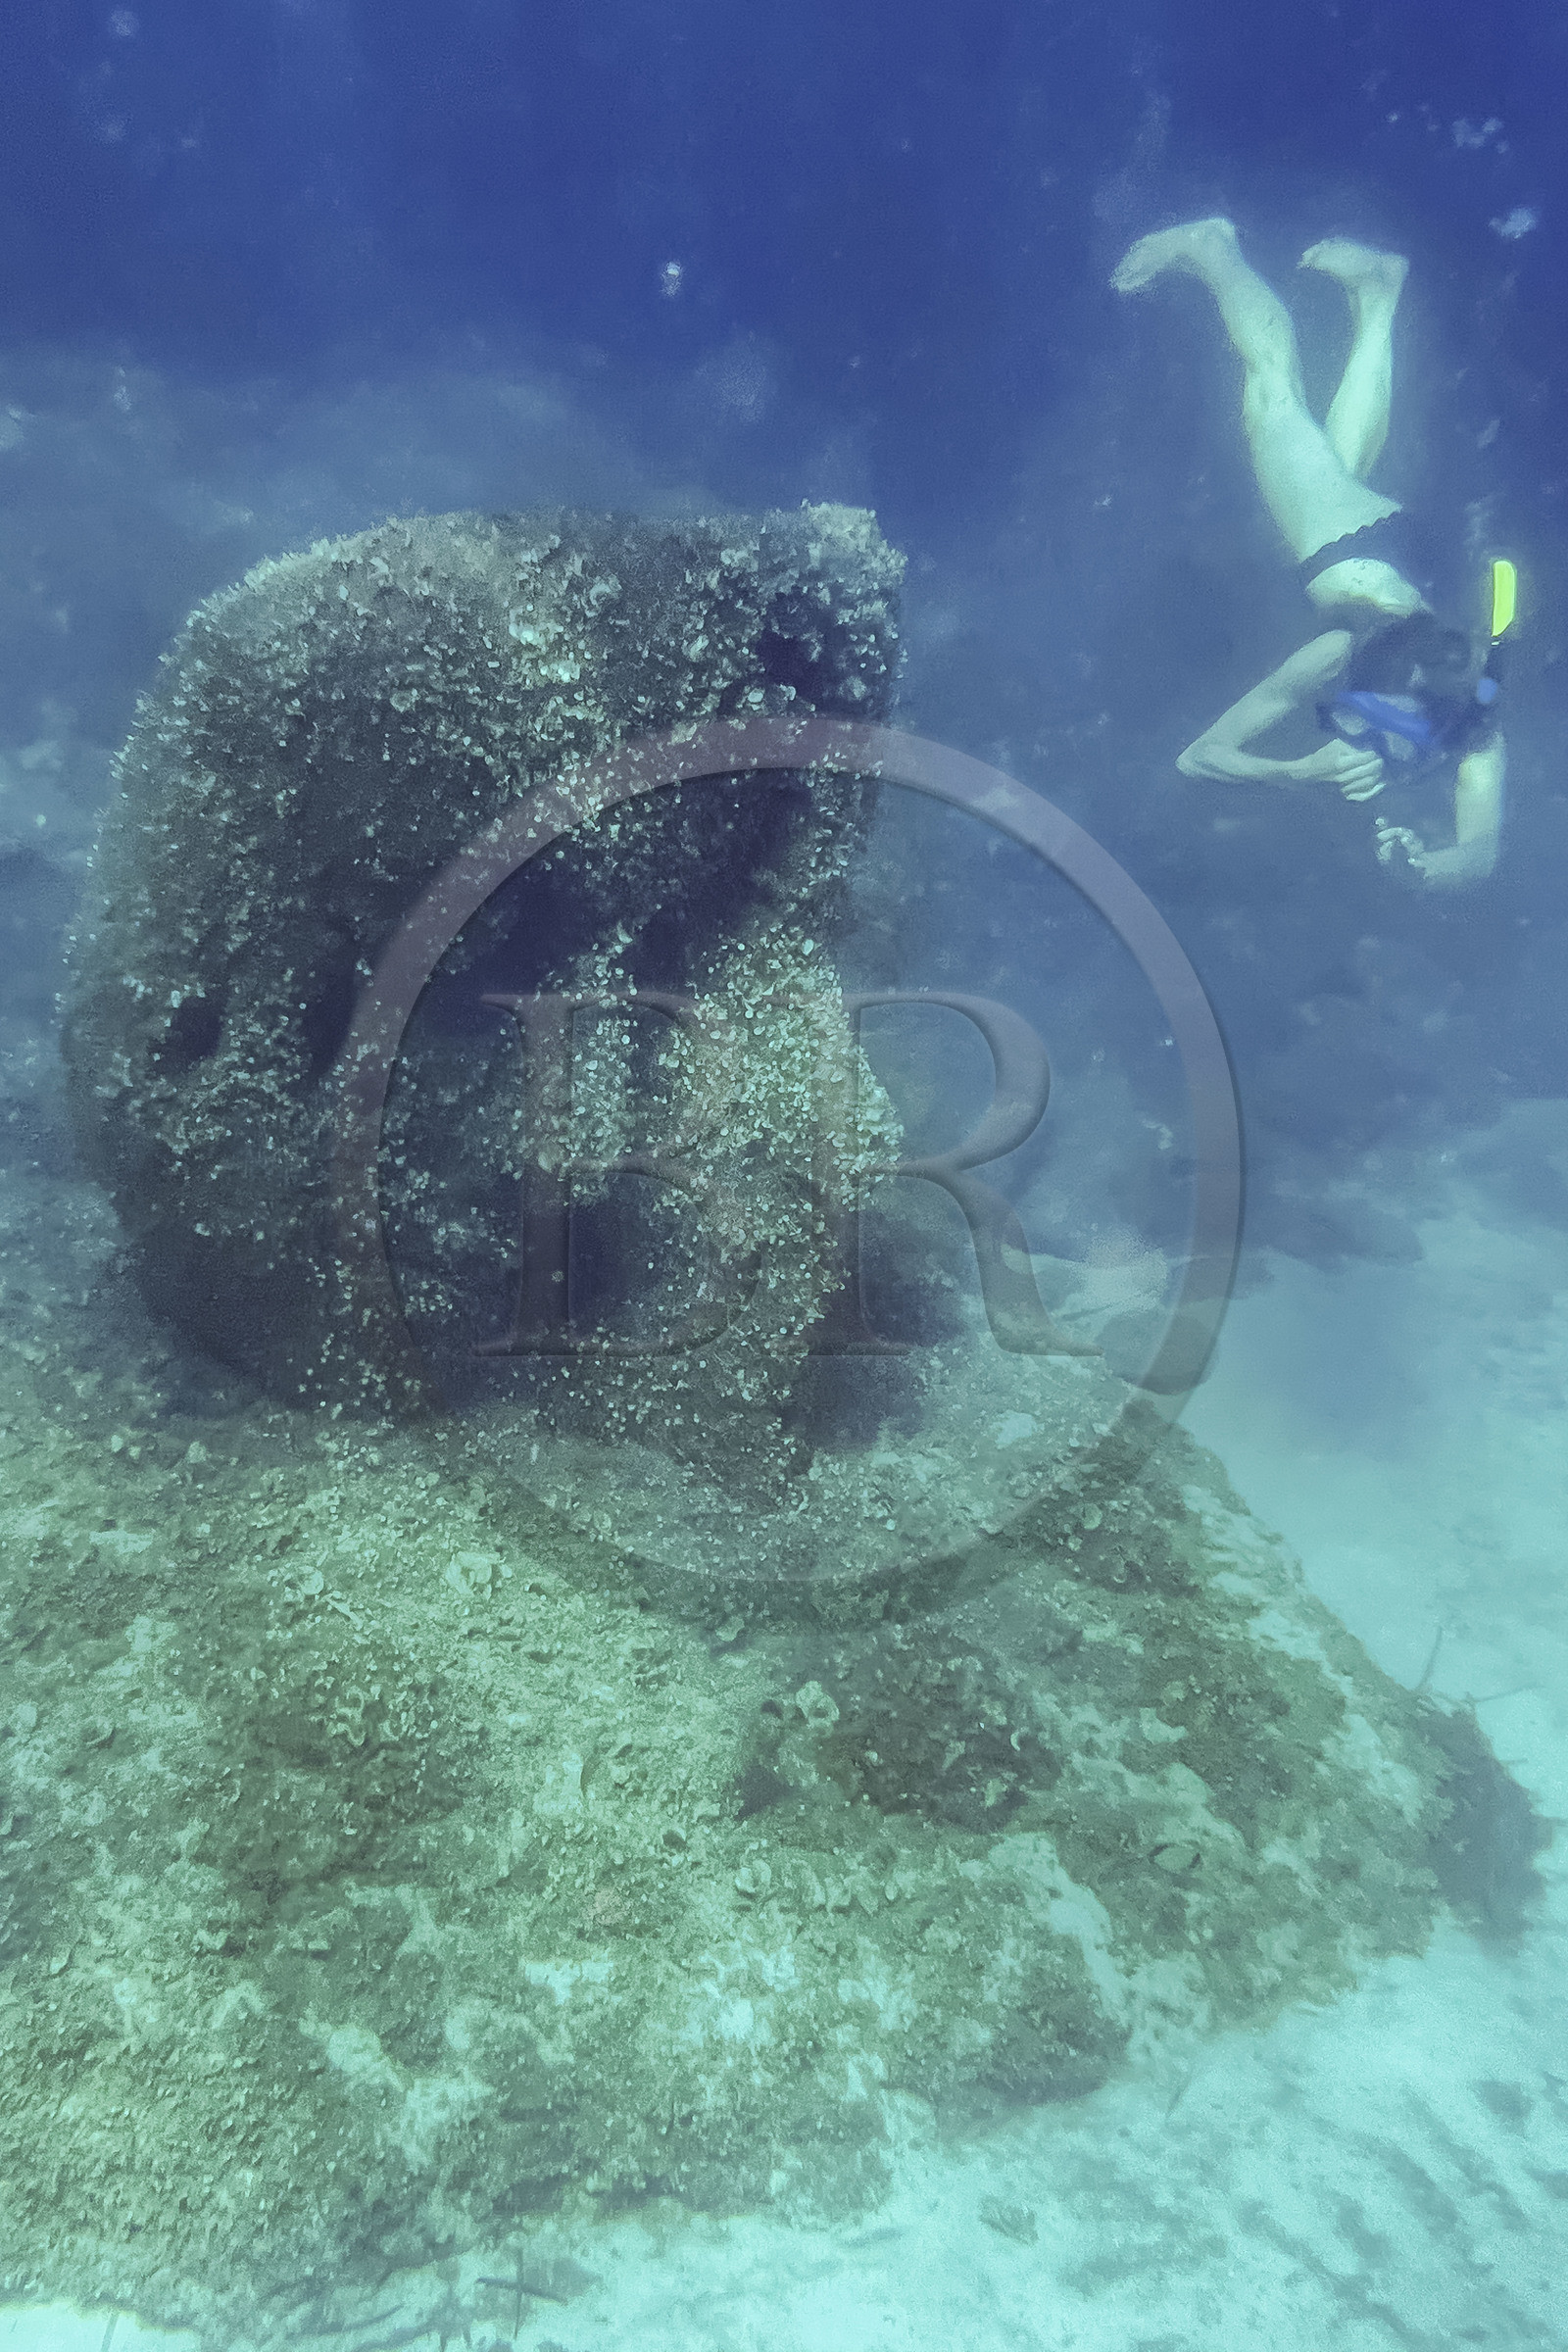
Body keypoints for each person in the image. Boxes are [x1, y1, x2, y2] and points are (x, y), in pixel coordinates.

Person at [1112, 218, 1507, 888]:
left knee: (1337, 459)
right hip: (1348, 552)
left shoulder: (1474, 734)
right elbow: (1199, 758)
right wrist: (1302, 771)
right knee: (1273, 397)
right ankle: (1214, 249)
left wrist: (1418, 868)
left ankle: (1380, 296)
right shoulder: (1342, 664)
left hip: (1402, 552)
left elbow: (1479, 854)